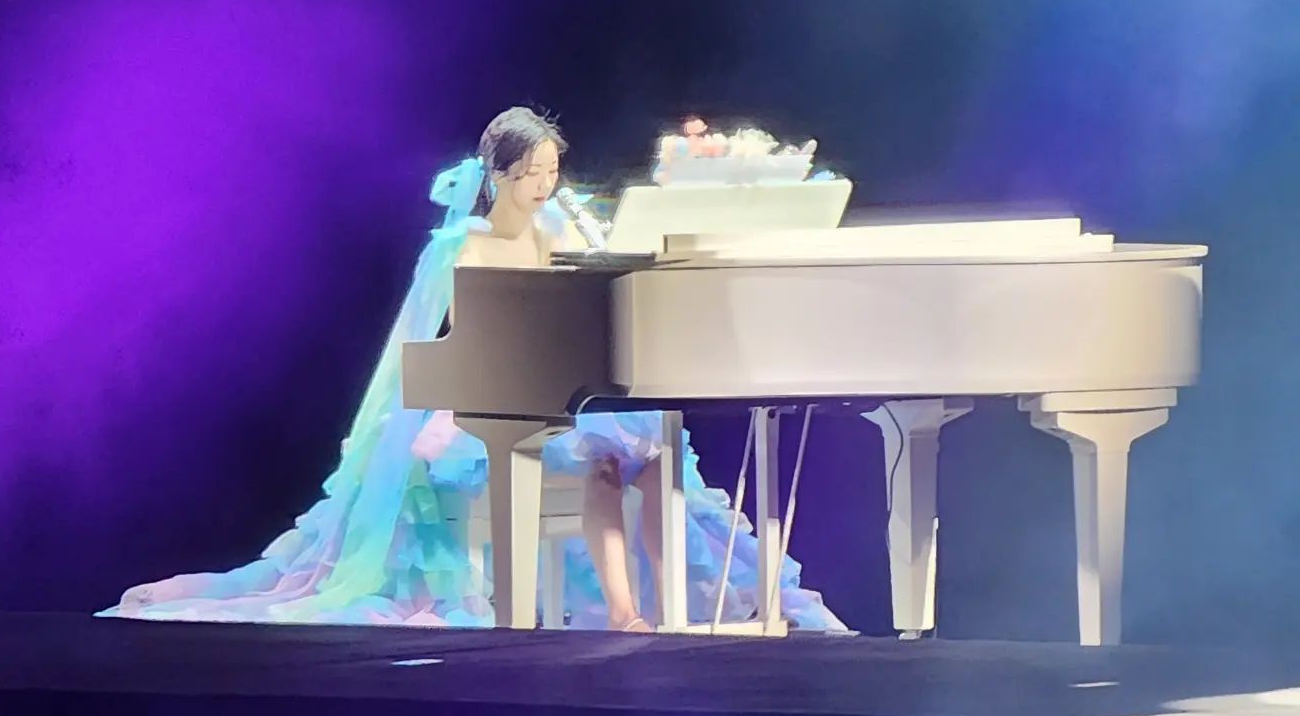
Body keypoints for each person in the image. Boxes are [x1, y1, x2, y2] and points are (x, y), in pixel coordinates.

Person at [104, 108, 847, 633]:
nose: (545, 185)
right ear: (499, 174)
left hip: (558, 391)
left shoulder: (555, 231)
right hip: (487, 397)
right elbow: (463, 339)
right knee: (603, 464)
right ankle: (623, 611)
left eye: (552, 171)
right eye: (531, 173)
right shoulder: (466, 245)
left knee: (652, 457)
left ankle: (673, 611)